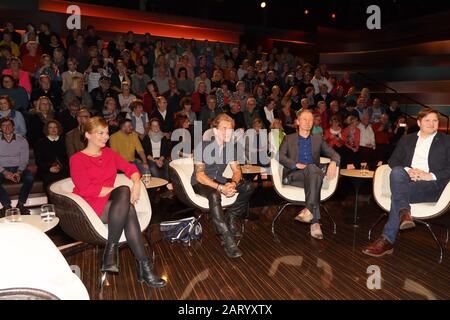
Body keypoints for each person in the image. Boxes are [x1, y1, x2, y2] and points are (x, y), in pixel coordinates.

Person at [69, 116, 166, 288]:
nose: (106, 136)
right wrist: (121, 190)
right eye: (100, 133)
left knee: (127, 206)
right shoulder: (77, 159)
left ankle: (129, 261)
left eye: (107, 132)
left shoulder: (108, 153)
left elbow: (131, 169)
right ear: (88, 135)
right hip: (91, 208)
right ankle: (141, 268)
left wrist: (136, 183)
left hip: (113, 206)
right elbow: (86, 189)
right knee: (123, 192)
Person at [363, 108, 450, 257]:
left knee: (397, 195)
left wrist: (429, 175)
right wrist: (409, 171)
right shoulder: (407, 139)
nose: (431, 123)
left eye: (435, 120)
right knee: (397, 171)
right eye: (427, 120)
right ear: (419, 122)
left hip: (432, 186)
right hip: (407, 181)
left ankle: (387, 239)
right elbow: (393, 161)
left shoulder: (446, 141)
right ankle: (404, 212)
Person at [192, 113, 255, 258]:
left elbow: (237, 170)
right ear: (215, 131)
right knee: (214, 195)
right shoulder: (202, 146)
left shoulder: (230, 148)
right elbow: (200, 176)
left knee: (248, 186)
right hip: (201, 183)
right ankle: (226, 238)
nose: (229, 132)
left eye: (231, 128)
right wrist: (221, 188)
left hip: (219, 179)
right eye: (224, 128)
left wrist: (232, 183)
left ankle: (231, 217)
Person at [278, 109, 340, 239]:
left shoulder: (318, 139)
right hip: (294, 175)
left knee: (313, 172)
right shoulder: (289, 138)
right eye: (304, 119)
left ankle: (309, 212)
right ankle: (315, 222)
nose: (308, 122)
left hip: (312, 176)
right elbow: (281, 157)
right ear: (298, 122)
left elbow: (334, 154)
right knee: (314, 172)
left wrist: (334, 162)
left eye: (310, 120)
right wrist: (295, 164)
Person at [0, 118, 34, 216]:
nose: (7, 127)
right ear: (0, 128)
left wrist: (19, 172)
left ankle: (21, 205)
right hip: (2, 168)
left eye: (9, 125)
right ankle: (6, 205)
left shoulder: (22, 140)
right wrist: (4, 172)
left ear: (13, 127)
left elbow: (24, 159)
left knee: (29, 178)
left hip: (18, 167)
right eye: (4, 125)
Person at [34, 120, 68, 191]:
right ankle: (52, 201)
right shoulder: (41, 142)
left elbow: (67, 157)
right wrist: (49, 168)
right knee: (50, 180)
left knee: (65, 179)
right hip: (46, 169)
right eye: (50, 127)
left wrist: (61, 167)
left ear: (59, 129)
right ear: (47, 129)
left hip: (62, 168)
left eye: (55, 127)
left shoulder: (64, 141)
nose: (53, 129)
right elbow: (39, 160)